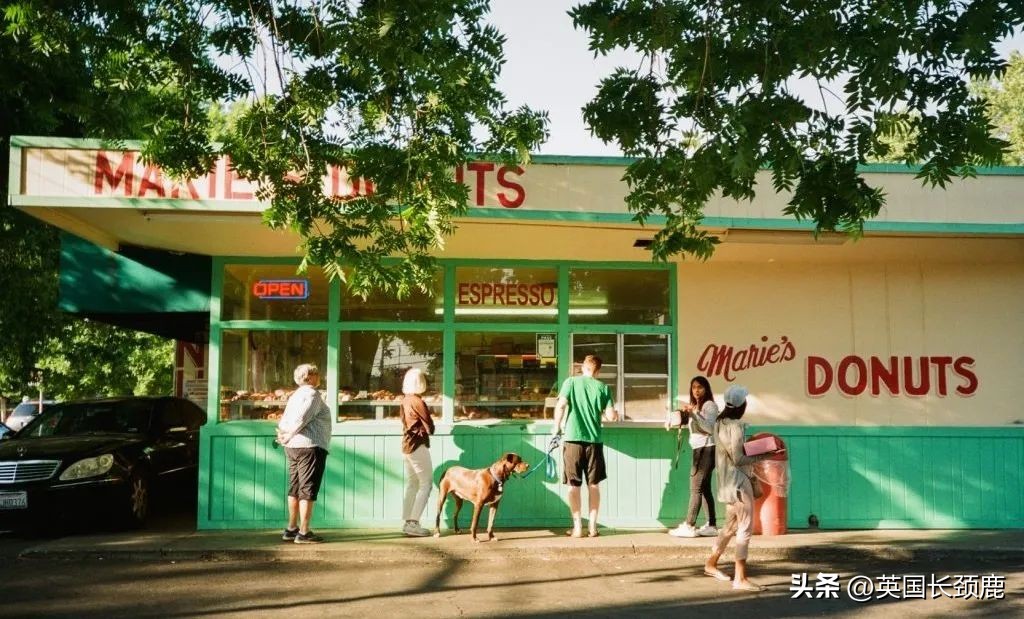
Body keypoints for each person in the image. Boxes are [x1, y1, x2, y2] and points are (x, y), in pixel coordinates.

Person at [704, 385, 784, 592]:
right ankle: (740, 577)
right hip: (739, 483)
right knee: (744, 529)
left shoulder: (719, 423)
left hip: (726, 483)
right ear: (742, 405)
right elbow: (739, 458)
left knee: (730, 527)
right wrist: (767, 453)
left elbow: (732, 452)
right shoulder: (736, 426)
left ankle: (711, 564)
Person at [552, 354, 619, 538]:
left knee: (573, 485)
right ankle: (592, 527)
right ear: (598, 370)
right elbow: (611, 416)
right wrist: (613, 413)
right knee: (594, 485)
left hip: (572, 440)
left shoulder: (571, 382)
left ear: (583, 367)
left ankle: (577, 528)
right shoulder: (603, 388)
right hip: (594, 442)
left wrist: (556, 429)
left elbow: (561, 406)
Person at [276, 363, 332, 544]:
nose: (319, 376)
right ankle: (304, 532)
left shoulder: (295, 395)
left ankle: (291, 528)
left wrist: (283, 435)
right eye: (317, 374)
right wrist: (288, 434)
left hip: (293, 447)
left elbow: (285, 419)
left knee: (294, 487)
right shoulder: (312, 394)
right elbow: (302, 418)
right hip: (309, 446)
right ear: (311, 376)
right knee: (307, 489)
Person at [668, 375, 719, 538]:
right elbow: (693, 425)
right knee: (704, 489)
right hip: (700, 449)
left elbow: (710, 428)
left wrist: (695, 414)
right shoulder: (696, 405)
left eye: (700, 387)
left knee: (695, 488)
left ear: (706, 388)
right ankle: (711, 525)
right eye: (694, 387)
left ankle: (689, 525)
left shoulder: (709, 405)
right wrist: (678, 417)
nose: (696, 390)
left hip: (707, 448)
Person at [400, 367, 435, 537]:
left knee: (413, 484)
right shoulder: (418, 401)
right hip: (417, 445)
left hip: (407, 446)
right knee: (426, 483)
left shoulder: (406, 400)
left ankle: (408, 522)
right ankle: (414, 523)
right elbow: (430, 427)